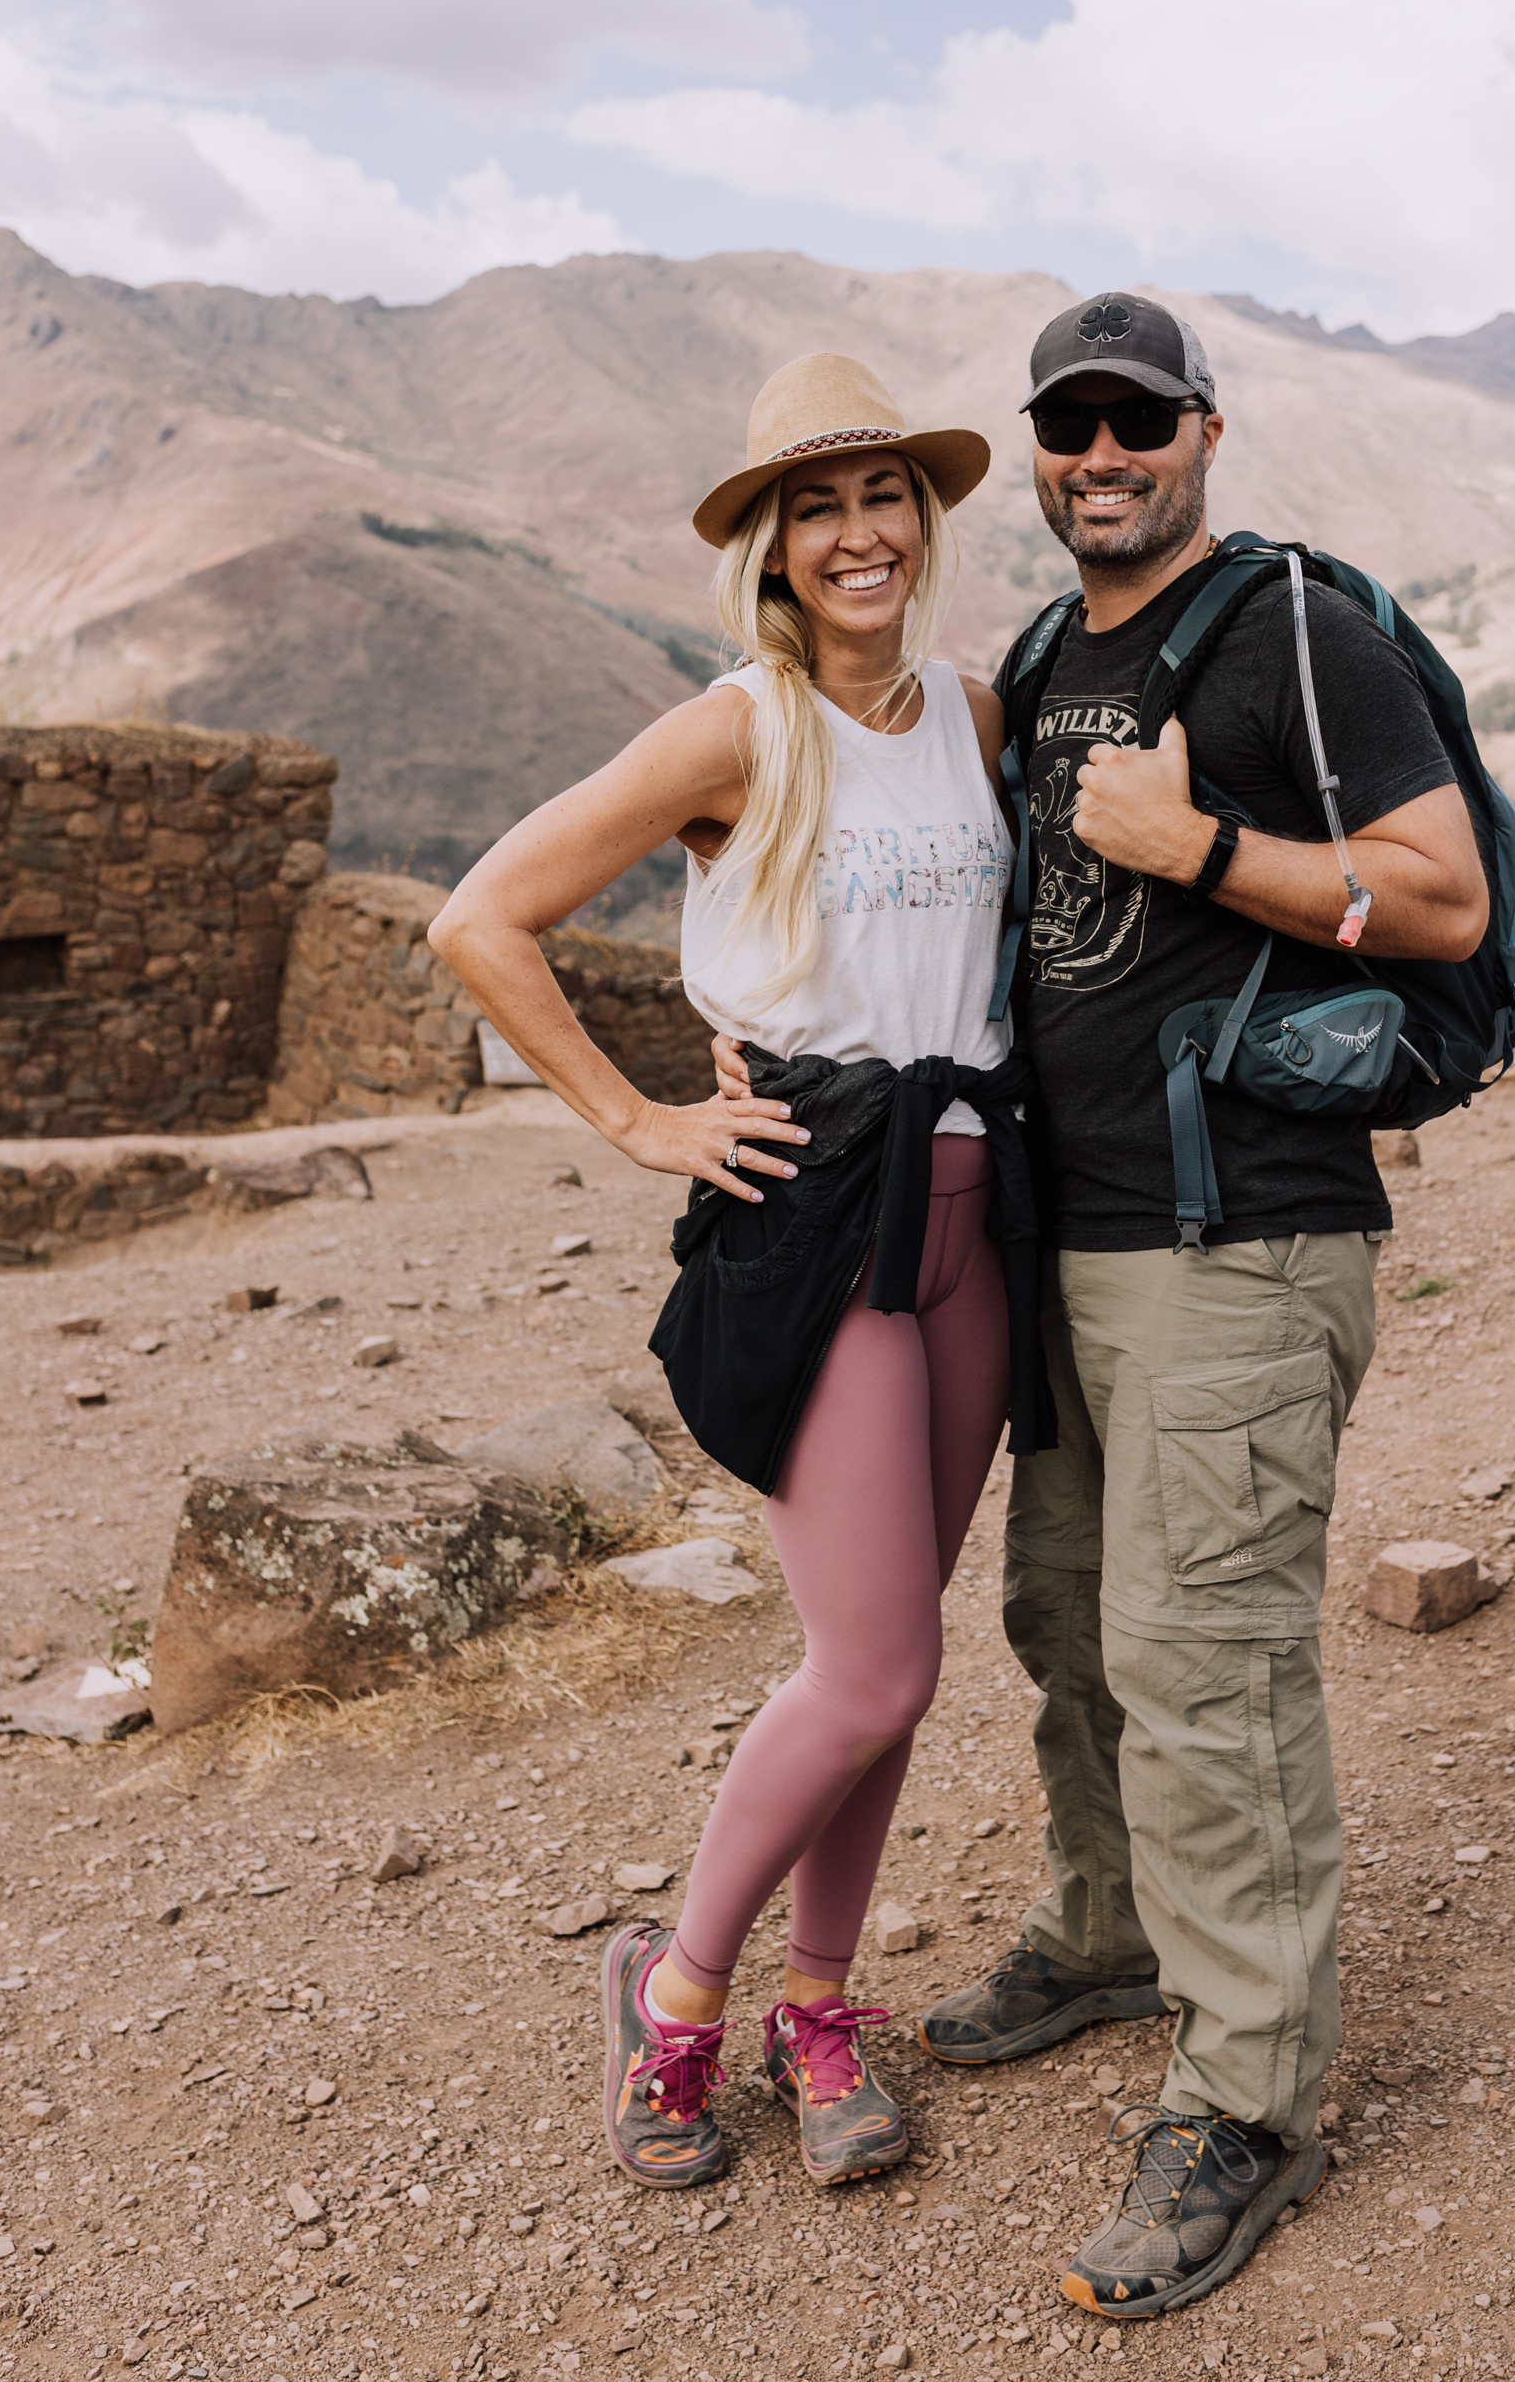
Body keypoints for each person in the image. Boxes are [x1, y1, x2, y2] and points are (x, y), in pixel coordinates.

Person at [914, 292, 1491, 2322]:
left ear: (1203, 430)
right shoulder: (1046, 652)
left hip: (1242, 1234)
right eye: (1067, 425)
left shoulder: (1291, 633)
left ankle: (1248, 2096)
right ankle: (1110, 1929)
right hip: (1072, 1241)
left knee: (1207, 1657)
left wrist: (1197, 843)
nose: (1099, 452)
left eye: (1134, 419)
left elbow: (1442, 901)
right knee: (1062, 1616)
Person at [429, 350, 1042, 2194]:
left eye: (884, 498)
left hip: (970, 1219)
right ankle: (676, 1997)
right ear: (772, 548)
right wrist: (638, 1121)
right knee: (865, 1669)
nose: (857, 533)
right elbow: (483, 918)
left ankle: (825, 2004)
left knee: (903, 1671)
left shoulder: (980, 718)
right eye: (817, 507)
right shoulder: (737, 731)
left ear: (920, 523)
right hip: (811, 1214)